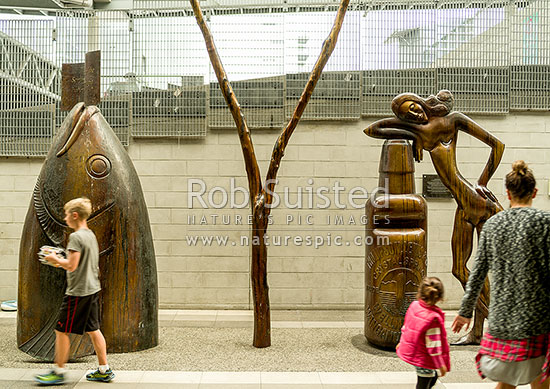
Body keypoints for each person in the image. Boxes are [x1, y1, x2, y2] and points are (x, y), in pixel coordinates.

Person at [364, 90, 504, 344]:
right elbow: (373, 129)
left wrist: (482, 182)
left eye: (414, 108)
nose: (414, 114)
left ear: (420, 102)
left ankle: (493, 323)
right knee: (459, 269)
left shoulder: (455, 120)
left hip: (478, 203)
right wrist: (408, 131)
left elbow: (498, 145)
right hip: (464, 206)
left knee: (484, 267)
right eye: (408, 114)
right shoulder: (420, 131)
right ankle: (478, 331)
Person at [452, 160, 550, 389]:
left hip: (503, 320)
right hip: (538, 319)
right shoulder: (545, 223)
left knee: (506, 383)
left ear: (507, 193)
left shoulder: (493, 225)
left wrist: (465, 312)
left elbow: (477, 273)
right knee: (542, 380)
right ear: (534, 192)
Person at [35, 198, 115, 385]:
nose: (65, 218)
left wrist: (54, 258)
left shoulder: (76, 237)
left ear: (75, 215)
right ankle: (104, 370)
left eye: (66, 214)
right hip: (92, 289)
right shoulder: (90, 235)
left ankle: (58, 372)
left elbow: (71, 265)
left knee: (61, 331)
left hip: (78, 293)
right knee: (94, 330)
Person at [396, 277, 450, 389]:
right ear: (440, 298)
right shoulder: (433, 319)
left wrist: (401, 342)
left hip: (413, 351)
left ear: (420, 293)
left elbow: (406, 327)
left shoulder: (414, 306)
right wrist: (441, 364)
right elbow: (433, 347)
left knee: (432, 376)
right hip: (424, 358)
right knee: (423, 384)